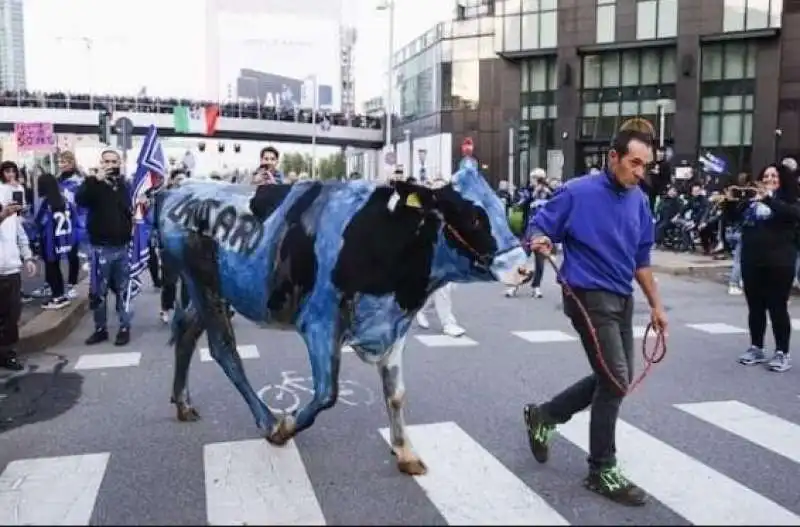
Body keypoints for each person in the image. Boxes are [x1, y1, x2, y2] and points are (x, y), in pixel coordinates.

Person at [523, 118, 667, 506]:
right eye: (634, 163)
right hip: (586, 294)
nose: (640, 173)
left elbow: (641, 258)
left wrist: (656, 304)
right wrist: (538, 239)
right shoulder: (576, 192)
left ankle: (545, 415)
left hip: (622, 297)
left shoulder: (639, 200)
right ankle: (601, 469)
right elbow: (539, 224)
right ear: (613, 157)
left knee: (615, 377)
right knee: (616, 379)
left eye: (645, 165)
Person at [736, 163, 800, 373]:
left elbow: (790, 215)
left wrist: (768, 199)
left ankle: (782, 351)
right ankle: (756, 347)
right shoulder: (754, 201)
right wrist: (732, 204)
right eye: (766, 176)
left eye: (774, 176)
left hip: (779, 262)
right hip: (752, 260)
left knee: (777, 307)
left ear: (782, 179)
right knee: (755, 307)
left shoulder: (788, 200)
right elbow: (737, 219)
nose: (769, 179)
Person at [76, 149, 134, 347]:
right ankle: (100, 329)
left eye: (114, 161)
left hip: (123, 247)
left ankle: (124, 327)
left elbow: (130, 209)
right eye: (106, 161)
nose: (110, 164)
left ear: (119, 163)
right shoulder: (93, 184)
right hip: (101, 248)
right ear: (101, 163)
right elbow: (80, 200)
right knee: (98, 293)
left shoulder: (125, 185)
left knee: (123, 291)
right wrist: (94, 180)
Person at [0, 181, 37, 371]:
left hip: (12, 270)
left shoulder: (11, 215)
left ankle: (8, 354)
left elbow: (21, 236)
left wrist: (28, 258)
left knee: (11, 316)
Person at [34, 172, 79, 310]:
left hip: (50, 241)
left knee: (51, 267)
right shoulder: (64, 200)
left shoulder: (47, 203)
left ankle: (58, 296)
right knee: (55, 267)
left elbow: (39, 222)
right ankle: (60, 294)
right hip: (64, 239)